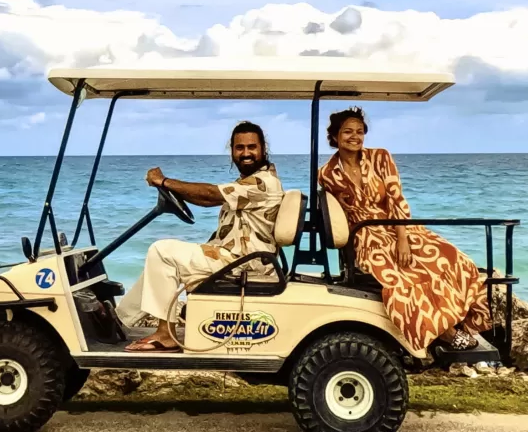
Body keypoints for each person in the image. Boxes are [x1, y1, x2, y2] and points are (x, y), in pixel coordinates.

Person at [318, 106, 490, 352]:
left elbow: (396, 199)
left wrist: (402, 239)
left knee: (453, 259)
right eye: (347, 132)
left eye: (359, 131)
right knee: (402, 277)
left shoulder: (380, 157)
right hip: (365, 233)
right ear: (335, 136)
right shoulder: (326, 174)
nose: (354, 136)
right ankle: (444, 333)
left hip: (397, 225)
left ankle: (457, 320)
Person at [116, 121, 284, 352]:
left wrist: (163, 182)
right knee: (160, 263)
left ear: (263, 149)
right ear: (232, 151)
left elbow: (209, 195)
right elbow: (207, 197)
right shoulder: (248, 182)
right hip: (234, 258)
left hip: (243, 263)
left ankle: (166, 334)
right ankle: (119, 321)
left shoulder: (263, 183)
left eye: (252, 147)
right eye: (239, 148)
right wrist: (173, 190)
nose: (246, 153)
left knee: (161, 250)